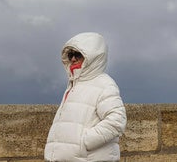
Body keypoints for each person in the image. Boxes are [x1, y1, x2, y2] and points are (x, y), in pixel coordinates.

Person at [44, 32, 127, 162]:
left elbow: (116, 121)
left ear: (93, 57)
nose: (72, 59)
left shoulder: (104, 83)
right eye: (70, 55)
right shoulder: (73, 84)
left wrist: (84, 142)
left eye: (78, 54)